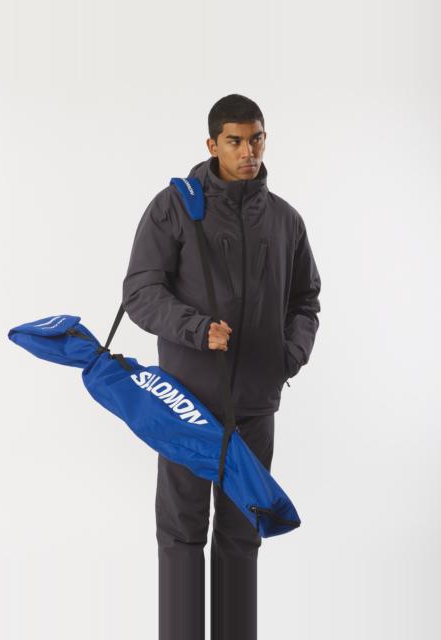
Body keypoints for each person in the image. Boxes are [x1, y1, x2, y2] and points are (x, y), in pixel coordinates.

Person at [122, 93, 321, 640]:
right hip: (185, 404)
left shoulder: (285, 220)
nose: (247, 151)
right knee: (182, 534)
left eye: (256, 139)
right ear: (212, 144)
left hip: (254, 407)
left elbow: (306, 300)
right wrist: (195, 327)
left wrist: (288, 357)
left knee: (241, 537)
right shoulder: (174, 207)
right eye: (235, 141)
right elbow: (140, 292)